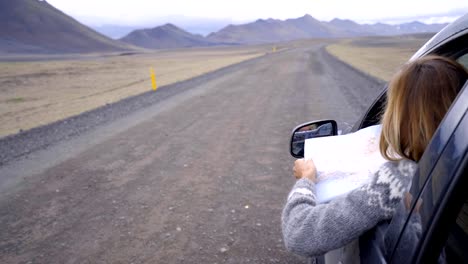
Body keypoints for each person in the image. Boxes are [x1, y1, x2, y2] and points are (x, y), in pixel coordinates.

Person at [281, 55, 468, 258]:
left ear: (400, 117)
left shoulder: (396, 181)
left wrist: (306, 182)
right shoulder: (457, 163)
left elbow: (300, 234)